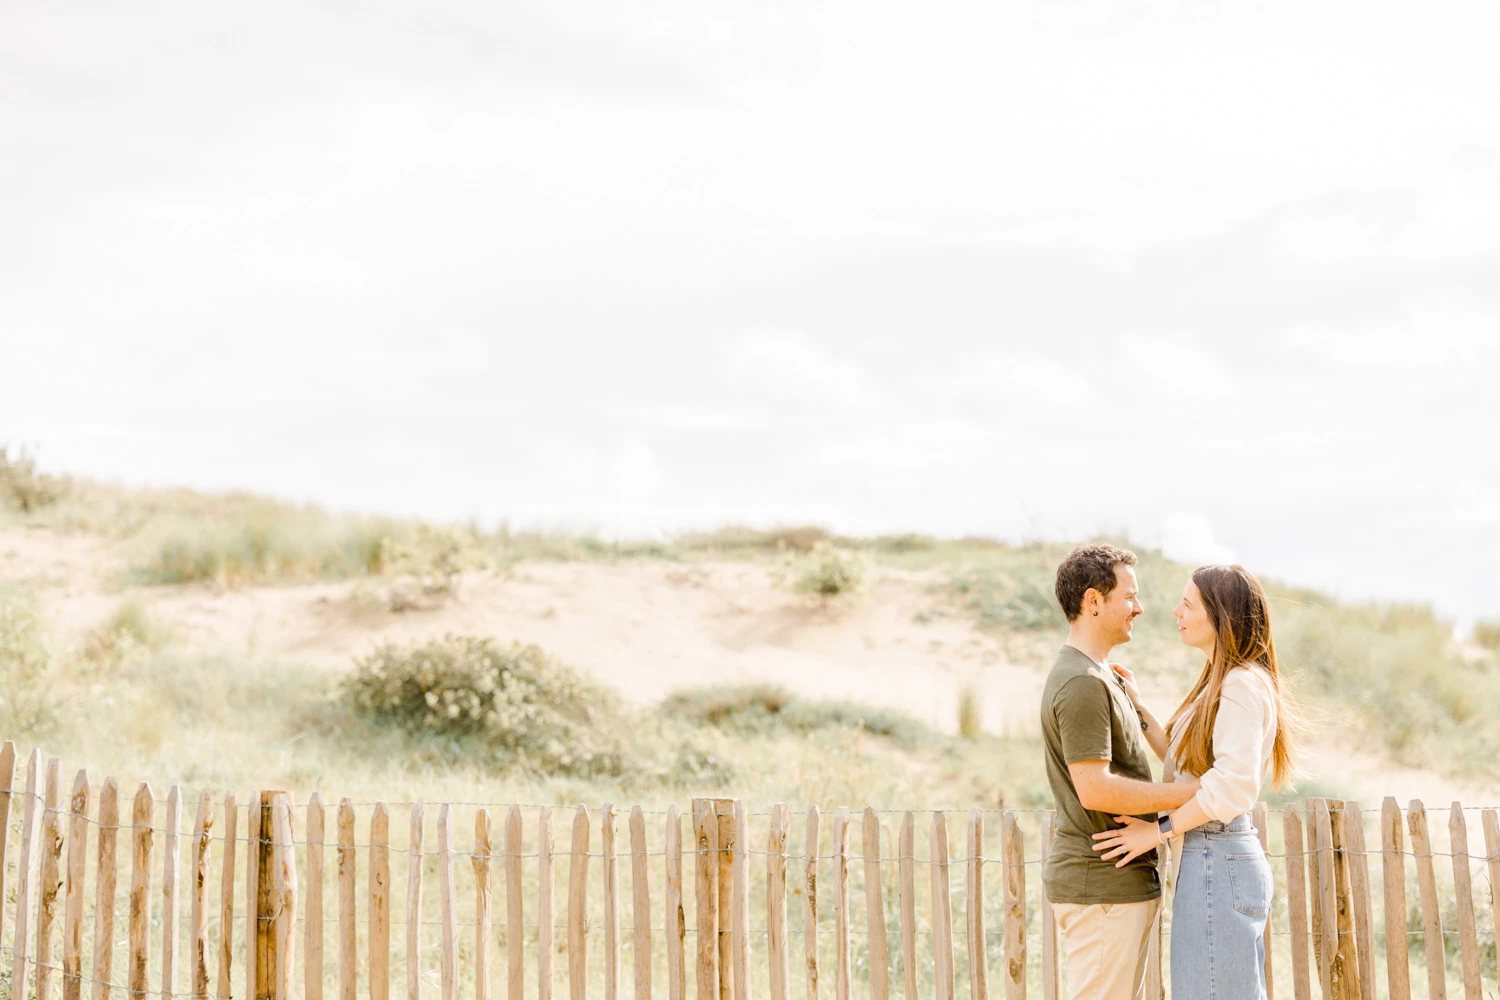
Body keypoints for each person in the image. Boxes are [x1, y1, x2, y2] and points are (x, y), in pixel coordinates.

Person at [1092, 565, 1300, 1000]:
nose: (1175, 611)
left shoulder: (1241, 684)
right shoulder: (1221, 680)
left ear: (1220, 615)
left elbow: (1232, 786)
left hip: (1215, 853)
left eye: (1187, 604)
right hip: (1210, 856)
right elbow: (1191, 766)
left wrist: (1157, 831)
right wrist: (1139, 705)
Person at [1041, 544, 1204, 1000]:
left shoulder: (1102, 677)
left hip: (1119, 884)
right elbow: (1095, 790)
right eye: (1129, 596)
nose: (1141, 607)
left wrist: (1136, 702)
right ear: (1094, 601)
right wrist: (1193, 794)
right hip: (1102, 887)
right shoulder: (1082, 683)